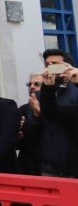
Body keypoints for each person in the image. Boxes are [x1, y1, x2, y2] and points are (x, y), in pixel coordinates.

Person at [39, 49, 78, 177]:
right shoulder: (45, 91)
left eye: (55, 64)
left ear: (67, 67)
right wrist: (47, 86)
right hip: (51, 163)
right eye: (47, 65)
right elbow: (51, 114)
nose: (50, 68)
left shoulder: (74, 89)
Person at [17, 73, 43, 175]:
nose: (32, 87)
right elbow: (17, 143)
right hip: (26, 163)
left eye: (37, 84)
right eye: (29, 84)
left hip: (46, 163)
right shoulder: (23, 109)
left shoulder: (52, 109)